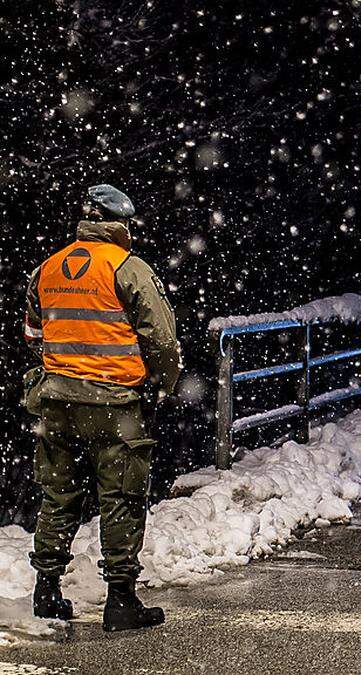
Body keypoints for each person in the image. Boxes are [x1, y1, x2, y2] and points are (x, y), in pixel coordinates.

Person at [21, 184, 182, 632]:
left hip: (57, 401)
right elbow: (162, 341)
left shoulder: (47, 269)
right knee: (122, 499)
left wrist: (66, 365)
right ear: (119, 224)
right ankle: (121, 601)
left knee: (58, 495)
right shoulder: (129, 269)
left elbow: (33, 334)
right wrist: (161, 384)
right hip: (116, 403)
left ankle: (47, 590)